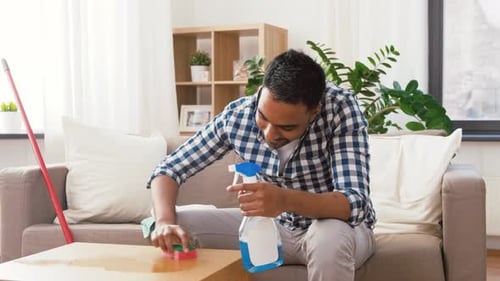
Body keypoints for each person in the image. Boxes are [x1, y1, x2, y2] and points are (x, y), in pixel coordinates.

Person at [147, 49, 376, 281]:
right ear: (260, 93)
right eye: (263, 118)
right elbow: (168, 170)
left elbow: (354, 203)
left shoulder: (339, 108)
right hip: (273, 228)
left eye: (286, 128)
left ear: (314, 111)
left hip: (336, 229)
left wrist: (284, 199)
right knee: (172, 227)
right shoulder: (238, 116)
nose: (269, 134)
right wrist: (165, 222)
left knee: (329, 238)